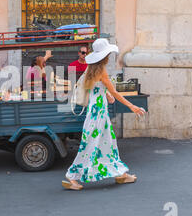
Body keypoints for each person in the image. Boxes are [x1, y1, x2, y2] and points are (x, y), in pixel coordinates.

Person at [62, 38, 146, 191]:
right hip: (98, 112)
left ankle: (120, 173)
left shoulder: (91, 69)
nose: (110, 56)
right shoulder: (101, 71)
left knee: (108, 143)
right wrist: (132, 106)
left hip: (96, 110)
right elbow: (115, 92)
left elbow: (96, 87)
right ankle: (71, 176)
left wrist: (106, 94)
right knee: (91, 145)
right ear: (105, 56)